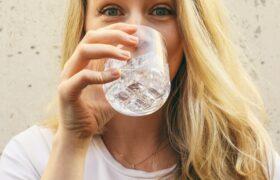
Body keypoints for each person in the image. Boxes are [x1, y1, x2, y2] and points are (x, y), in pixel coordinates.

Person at [1, 0, 279, 179]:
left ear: (191, 33)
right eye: (111, 11)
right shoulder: (32, 155)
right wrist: (73, 142)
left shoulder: (245, 155)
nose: (134, 35)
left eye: (160, 10)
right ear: (84, 28)